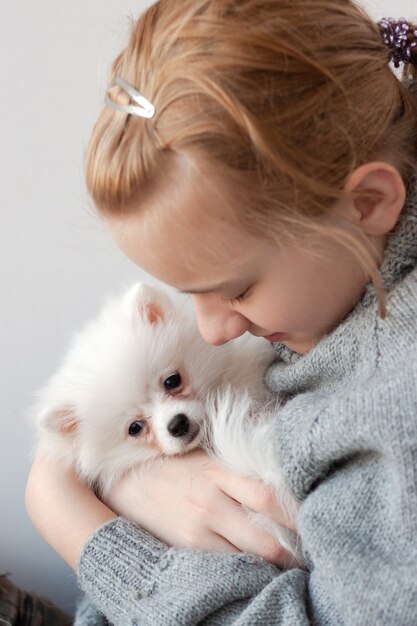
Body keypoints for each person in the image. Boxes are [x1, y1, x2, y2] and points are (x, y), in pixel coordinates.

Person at [25, 1, 417, 624]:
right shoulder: (330, 303)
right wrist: (123, 482)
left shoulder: (393, 397)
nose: (211, 330)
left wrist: (74, 521)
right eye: (188, 293)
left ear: (369, 203)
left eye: (235, 289)